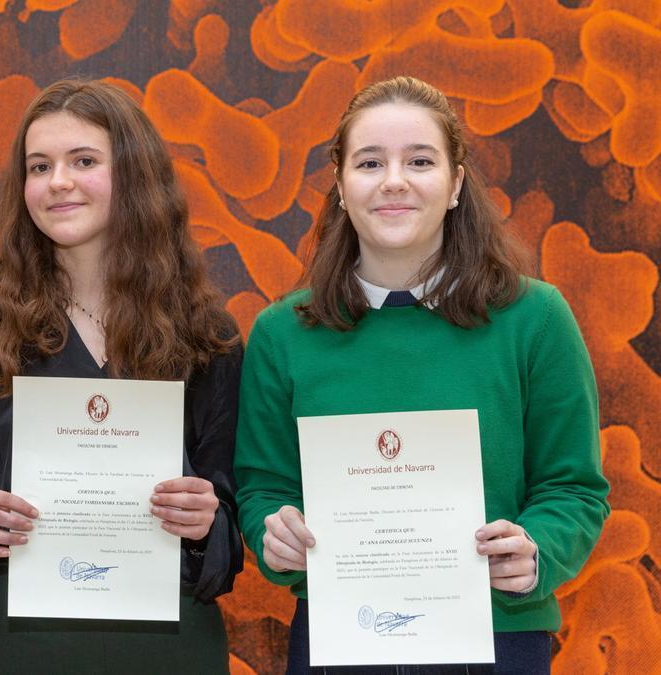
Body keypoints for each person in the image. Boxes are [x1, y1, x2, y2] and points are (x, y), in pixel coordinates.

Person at [234, 75, 610, 674]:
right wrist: (273, 534)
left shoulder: (535, 319)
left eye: (420, 161)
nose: (394, 181)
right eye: (369, 162)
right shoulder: (283, 333)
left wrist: (539, 550)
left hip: (499, 640)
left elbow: (575, 489)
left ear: (456, 183)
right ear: (339, 183)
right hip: (339, 640)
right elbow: (262, 488)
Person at [0, 79, 244, 673]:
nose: (58, 182)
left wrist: (208, 520)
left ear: (133, 174)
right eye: (39, 165)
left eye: (84, 161)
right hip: (26, 643)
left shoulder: (206, 336)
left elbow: (228, 531)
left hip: (173, 643)